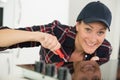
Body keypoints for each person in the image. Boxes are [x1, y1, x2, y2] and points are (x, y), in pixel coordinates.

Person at [0, 1, 112, 65]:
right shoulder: (56, 32)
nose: (93, 39)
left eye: (100, 32)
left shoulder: (105, 49)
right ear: (77, 25)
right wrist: (38, 36)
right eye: (88, 29)